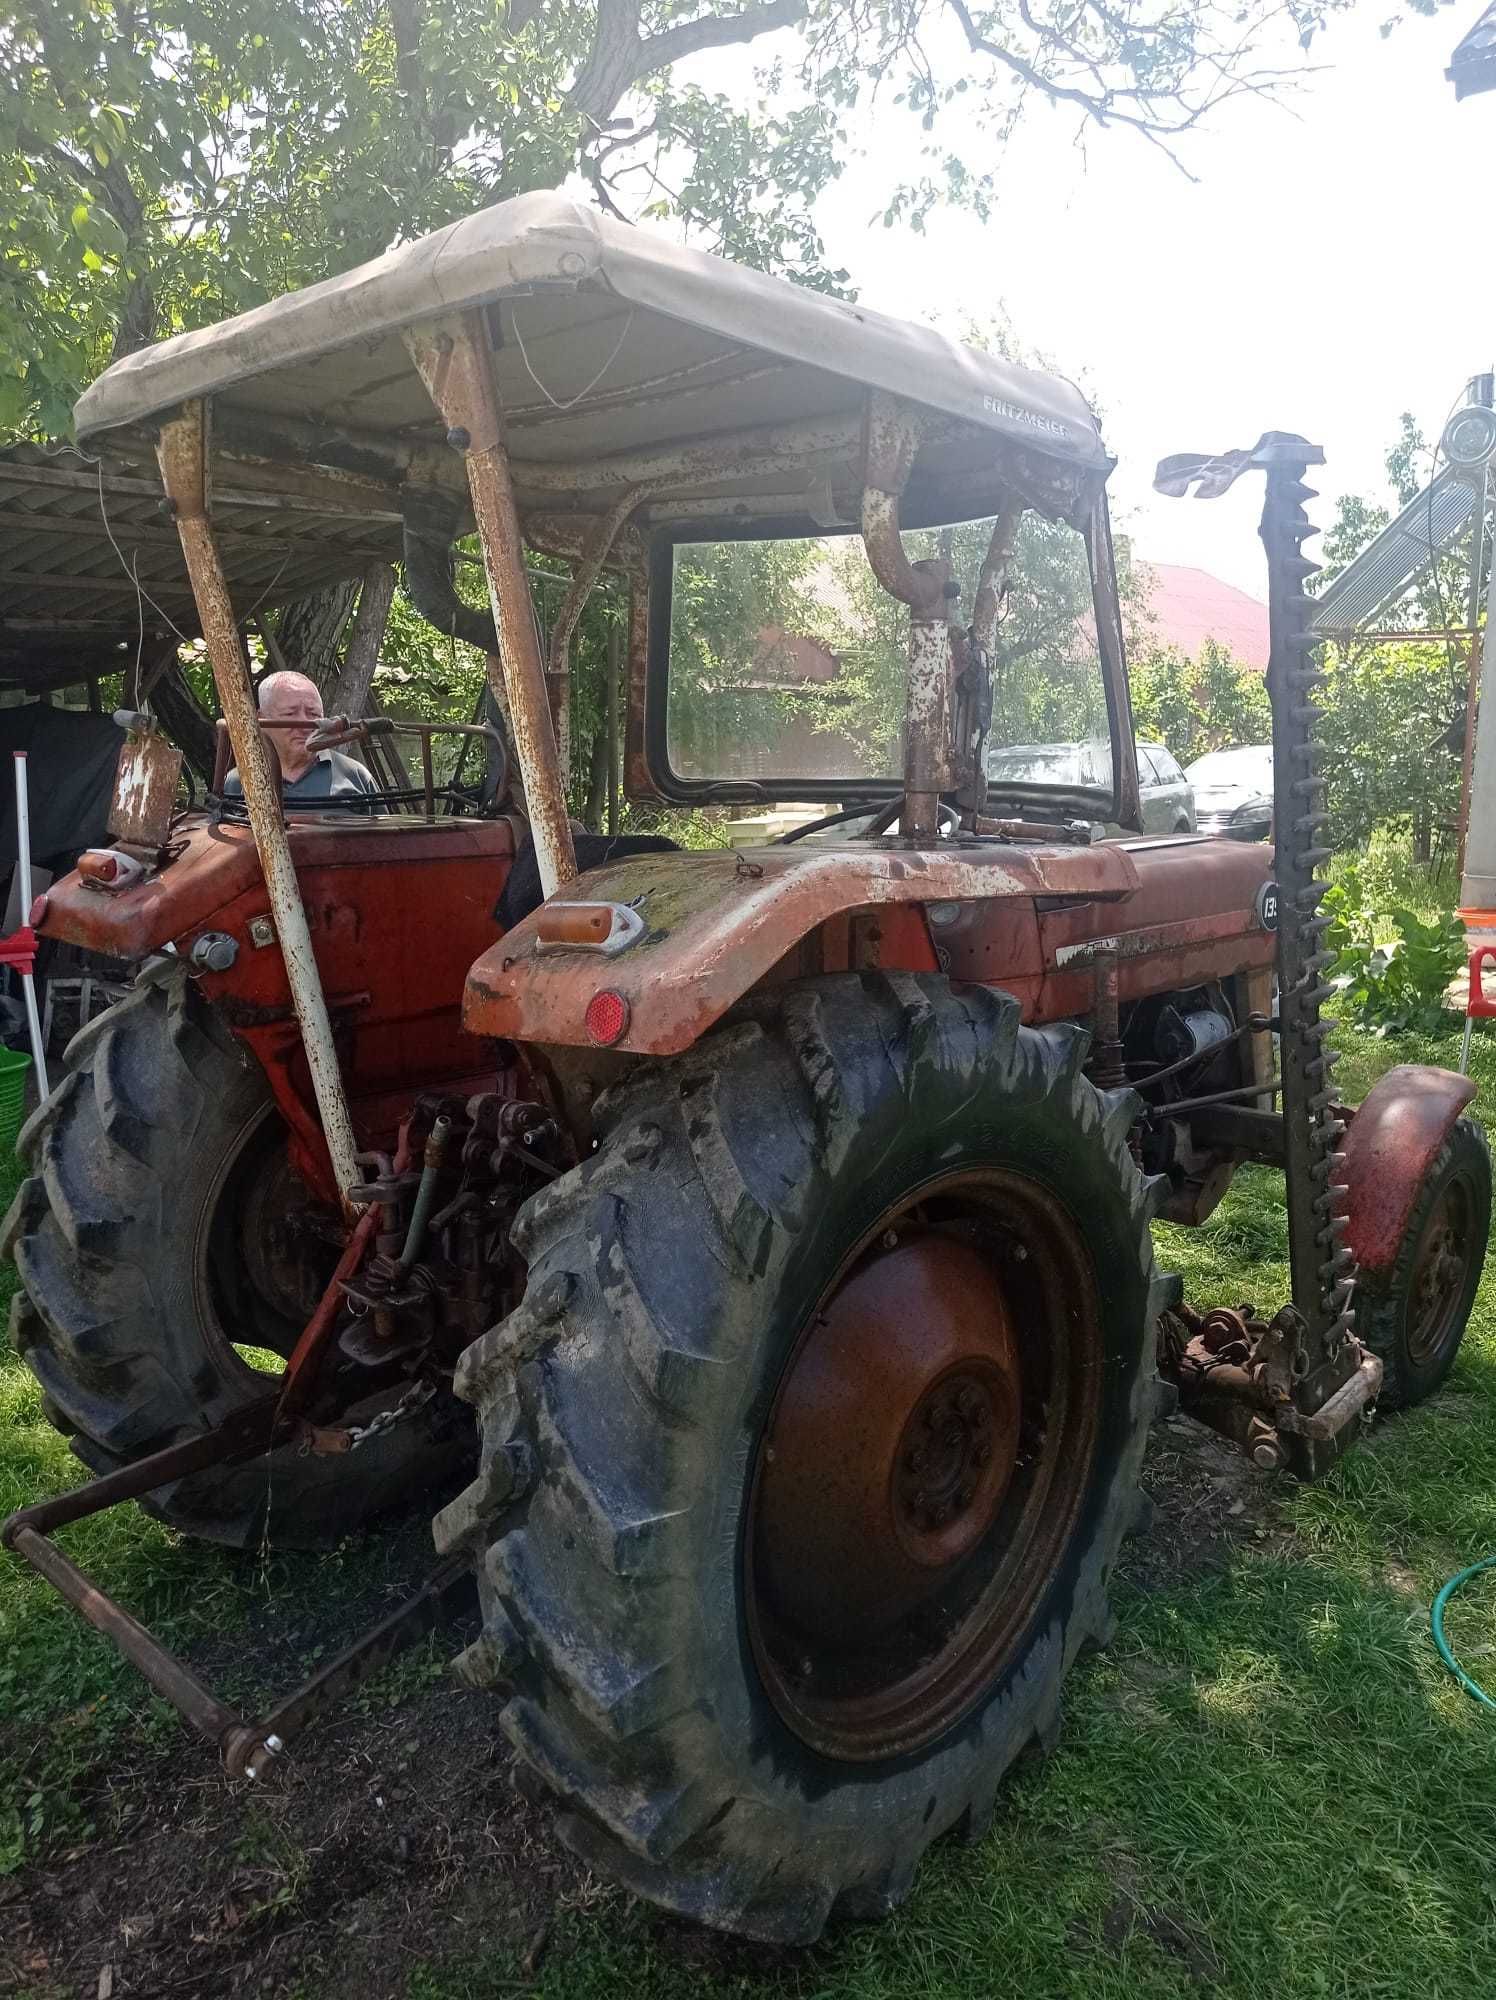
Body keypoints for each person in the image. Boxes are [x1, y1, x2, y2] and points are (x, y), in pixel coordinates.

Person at [223, 670, 384, 813]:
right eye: (290, 714)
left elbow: (389, 840)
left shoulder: (356, 776)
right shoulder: (240, 780)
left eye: (313, 714)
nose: (304, 725)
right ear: (260, 719)